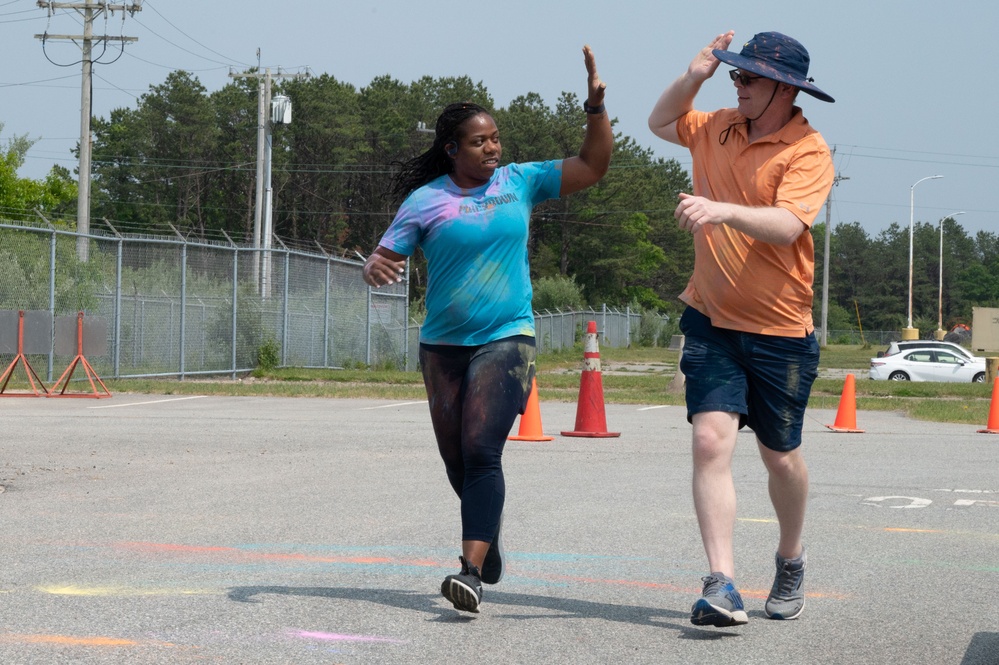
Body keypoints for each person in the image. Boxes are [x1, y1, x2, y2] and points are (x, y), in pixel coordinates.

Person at [362, 45, 612, 614]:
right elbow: (383, 257)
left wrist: (595, 109)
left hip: (507, 337)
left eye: (496, 138)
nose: (493, 148)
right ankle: (488, 537)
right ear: (452, 150)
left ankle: (469, 571)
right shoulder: (426, 200)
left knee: (481, 448)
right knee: (457, 460)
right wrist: (374, 266)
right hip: (442, 346)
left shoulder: (520, 181)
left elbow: (593, 166)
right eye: (479, 141)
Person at [647, 31, 835, 627]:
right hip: (711, 319)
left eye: (748, 78)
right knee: (709, 441)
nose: (738, 86)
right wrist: (694, 75)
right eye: (735, 74)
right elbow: (659, 121)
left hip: (780, 329)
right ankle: (722, 583)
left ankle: (790, 557)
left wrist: (721, 210)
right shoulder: (719, 126)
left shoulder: (807, 150)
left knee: (780, 457)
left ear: (784, 89)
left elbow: (787, 226)